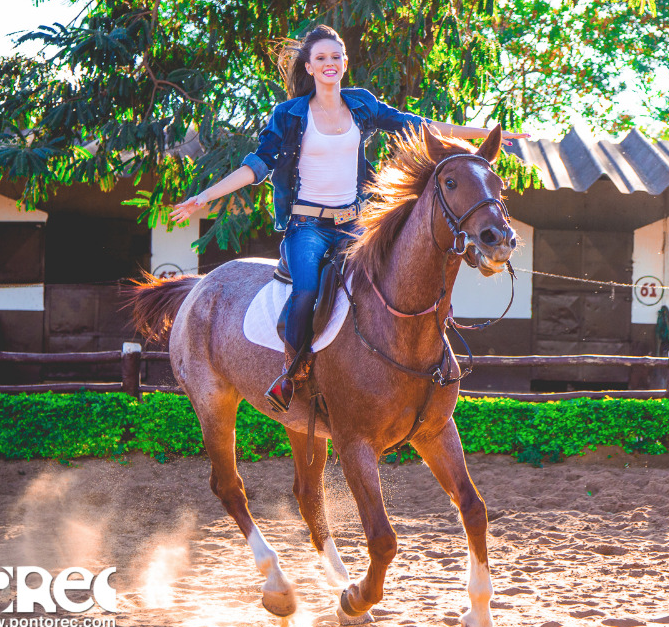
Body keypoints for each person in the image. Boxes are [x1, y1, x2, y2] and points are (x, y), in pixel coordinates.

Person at [169, 25, 525, 411]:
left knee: (401, 274)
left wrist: (482, 133)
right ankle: (292, 373)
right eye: (321, 58)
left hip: (354, 224)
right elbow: (257, 166)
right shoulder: (289, 114)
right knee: (306, 291)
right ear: (308, 65)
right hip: (306, 227)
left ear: (344, 62)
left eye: (335, 57)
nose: (329, 64)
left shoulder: (360, 104)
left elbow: (417, 125)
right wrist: (204, 196)